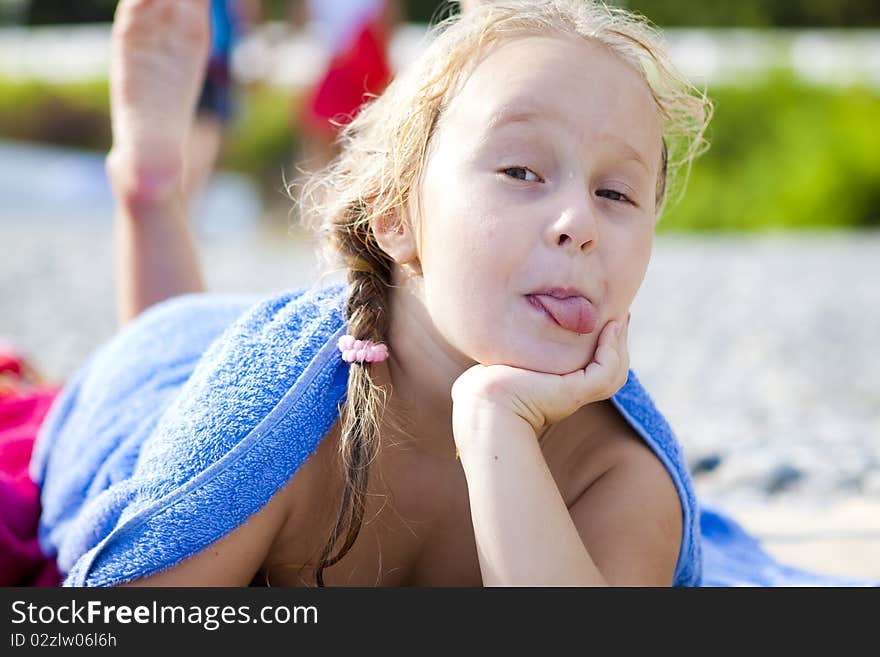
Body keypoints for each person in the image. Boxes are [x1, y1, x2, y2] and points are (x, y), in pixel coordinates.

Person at [27, 0, 873, 588]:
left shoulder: (621, 472)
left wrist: (496, 421)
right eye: (521, 171)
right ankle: (150, 189)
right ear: (396, 216)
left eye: (618, 194)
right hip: (214, 369)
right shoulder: (278, 408)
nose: (578, 218)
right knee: (165, 393)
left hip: (290, 352)